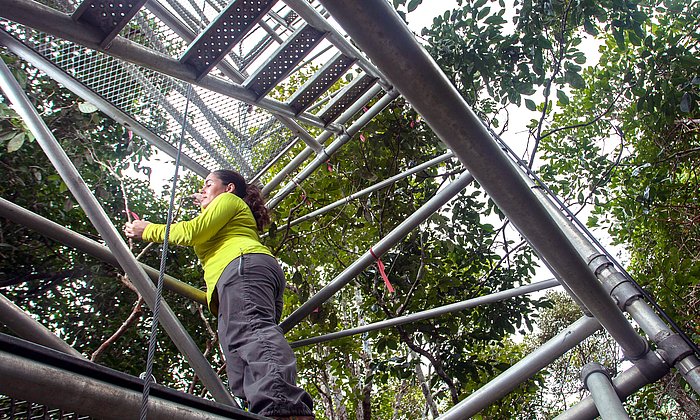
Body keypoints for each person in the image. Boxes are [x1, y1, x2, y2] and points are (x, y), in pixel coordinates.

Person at [124, 169, 314, 420]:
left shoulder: (229, 200)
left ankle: (283, 407)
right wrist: (206, 202)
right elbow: (204, 227)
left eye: (208, 184)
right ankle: (262, 409)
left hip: (242, 266)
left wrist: (147, 229)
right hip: (242, 274)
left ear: (229, 188)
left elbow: (192, 232)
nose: (202, 190)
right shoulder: (224, 209)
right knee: (238, 353)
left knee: (251, 332)